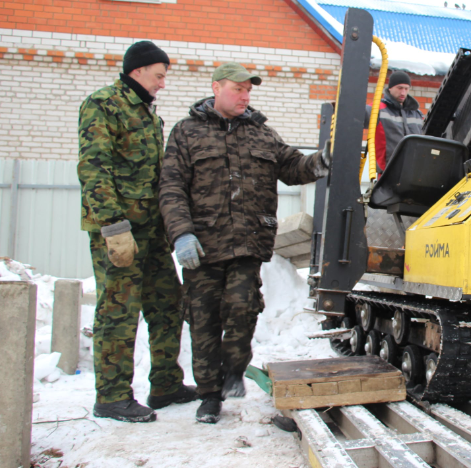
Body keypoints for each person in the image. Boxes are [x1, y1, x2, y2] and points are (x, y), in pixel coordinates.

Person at [158, 62, 330, 424]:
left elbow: (294, 167)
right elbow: (171, 186)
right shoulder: (187, 133)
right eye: (238, 89)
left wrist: (322, 161)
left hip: (248, 243)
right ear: (217, 88)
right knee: (202, 320)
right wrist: (181, 233)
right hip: (203, 245)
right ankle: (208, 396)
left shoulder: (262, 134)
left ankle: (234, 369)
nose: (245, 96)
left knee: (242, 306)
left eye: (249, 90)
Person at [78, 41, 196, 423]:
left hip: (152, 230)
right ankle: (111, 396)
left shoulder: (148, 113)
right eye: (159, 75)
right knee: (119, 312)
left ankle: (165, 384)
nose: (163, 83)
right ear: (138, 71)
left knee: (167, 306)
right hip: (118, 231)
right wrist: (112, 225)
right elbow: (94, 168)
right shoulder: (102, 105)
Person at [365, 71, 423, 174]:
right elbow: (355, 117)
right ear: (390, 88)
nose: (403, 93)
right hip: (386, 174)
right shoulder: (377, 109)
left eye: (406, 89)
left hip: (413, 174)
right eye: (400, 88)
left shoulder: (417, 114)